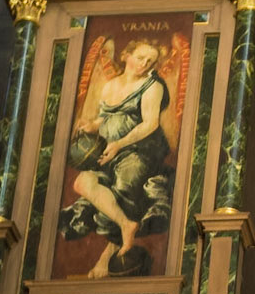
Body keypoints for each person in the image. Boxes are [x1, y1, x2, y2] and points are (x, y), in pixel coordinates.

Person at [60, 37, 174, 278]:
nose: (144, 64)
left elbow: (150, 124)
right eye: (140, 57)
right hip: (109, 148)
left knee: (124, 189)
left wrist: (119, 144)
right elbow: (107, 117)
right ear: (126, 56)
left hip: (140, 150)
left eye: (150, 61)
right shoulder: (110, 86)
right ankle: (125, 224)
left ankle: (106, 258)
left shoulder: (153, 86)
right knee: (83, 183)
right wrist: (91, 125)